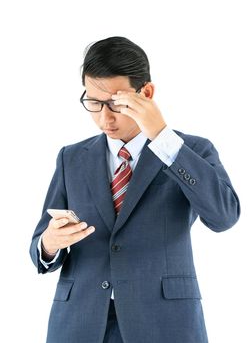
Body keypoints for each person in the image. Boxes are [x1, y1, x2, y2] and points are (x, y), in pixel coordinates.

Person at [29, 36, 240, 343]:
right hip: (80, 323)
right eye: (94, 103)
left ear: (147, 93)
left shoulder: (191, 151)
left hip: (164, 323)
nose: (104, 117)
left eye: (116, 103)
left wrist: (163, 138)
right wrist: (49, 242)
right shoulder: (71, 158)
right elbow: (40, 247)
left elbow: (224, 216)